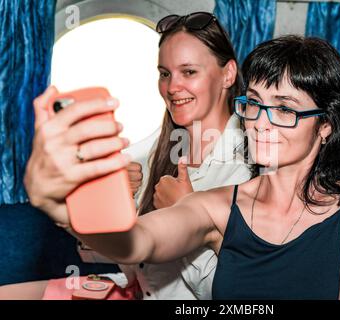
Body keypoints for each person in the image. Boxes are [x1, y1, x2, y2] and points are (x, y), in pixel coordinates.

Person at [17, 35, 340, 299]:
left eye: (284, 109)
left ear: (327, 124)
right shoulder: (215, 206)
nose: (260, 122)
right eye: (255, 103)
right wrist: (62, 207)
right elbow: (136, 241)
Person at [0, 12, 252, 300]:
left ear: (228, 74)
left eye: (189, 72)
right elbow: (134, 264)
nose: (171, 88)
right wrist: (100, 203)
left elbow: (236, 295)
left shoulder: (248, 167)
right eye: (165, 73)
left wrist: (186, 208)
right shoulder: (157, 152)